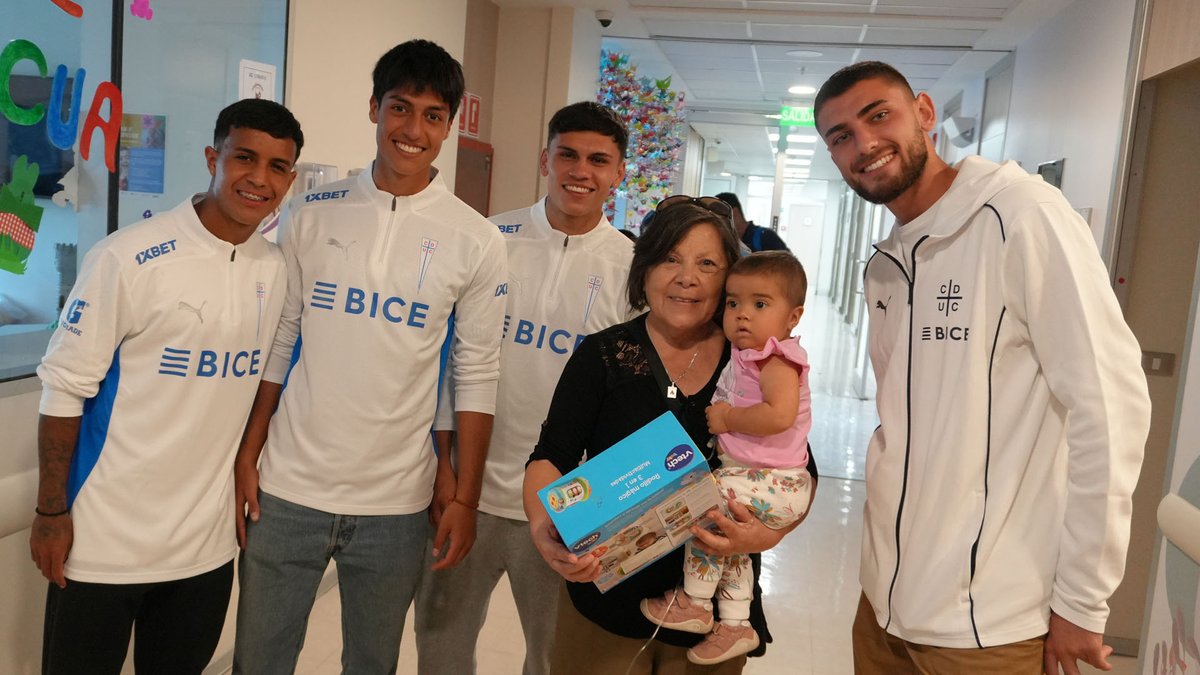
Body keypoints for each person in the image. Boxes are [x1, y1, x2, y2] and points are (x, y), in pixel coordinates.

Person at [812, 61, 1151, 675]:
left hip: (987, 624)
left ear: (923, 112)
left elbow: (1109, 407)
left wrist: (1083, 599)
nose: (863, 144)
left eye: (877, 115)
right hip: (882, 607)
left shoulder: (1021, 217)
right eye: (839, 136)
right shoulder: (886, 264)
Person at [232, 40, 507, 674]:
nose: (413, 130)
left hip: (397, 504)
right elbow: (282, 340)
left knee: (372, 664)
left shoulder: (477, 240)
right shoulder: (308, 212)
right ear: (375, 108)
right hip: (287, 491)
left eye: (433, 116)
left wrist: (462, 495)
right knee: (260, 662)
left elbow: (476, 372)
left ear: (451, 125)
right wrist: (249, 453)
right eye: (400, 108)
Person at [31, 98, 303, 675]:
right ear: (213, 157)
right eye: (244, 158)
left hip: (203, 552)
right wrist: (51, 511)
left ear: (291, 179)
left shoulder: (277, 270)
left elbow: (267, 384)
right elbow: (63, 391)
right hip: (102, 545)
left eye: (277, 167)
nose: (259, 178)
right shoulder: (127, 259)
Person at [524, 196, 805, 674]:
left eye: (708, 264)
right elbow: (551, 455)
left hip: (715, 625)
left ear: (730, 279)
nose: (686, 277)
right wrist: (541, 528)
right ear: (645, 267)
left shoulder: (751, 361)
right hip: (606, 602)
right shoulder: (603, 355)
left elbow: (799, 464)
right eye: (669, 258)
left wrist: (768, 533)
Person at [415, 101, 635, 675]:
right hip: (470, 492)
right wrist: (445, 464)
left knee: (555, 661)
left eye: (597, 160)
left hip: (568, 507)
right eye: (567, 154)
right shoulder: (490, 239)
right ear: (545, 159)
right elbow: (451, 360)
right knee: (440, 649)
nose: (579, 170)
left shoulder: (633, 270)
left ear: (619, 173)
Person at [641, 251, 813, 665]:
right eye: (733, 303)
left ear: (793, 316)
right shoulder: (748, 353)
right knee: (729, 545)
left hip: (772, 480)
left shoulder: (775, 357)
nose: (742, 315)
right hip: (762, 479)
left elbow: (779, 414)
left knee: (700, 506)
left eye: (760, 304)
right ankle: (735, 623)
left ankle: (695, 601)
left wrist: (727, 418)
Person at [713, 192, 788, 252]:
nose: (717, 222)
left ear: (734, 213)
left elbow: (788, 266)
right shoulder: (725, 241)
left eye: (719, 216)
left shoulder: (766, 237)